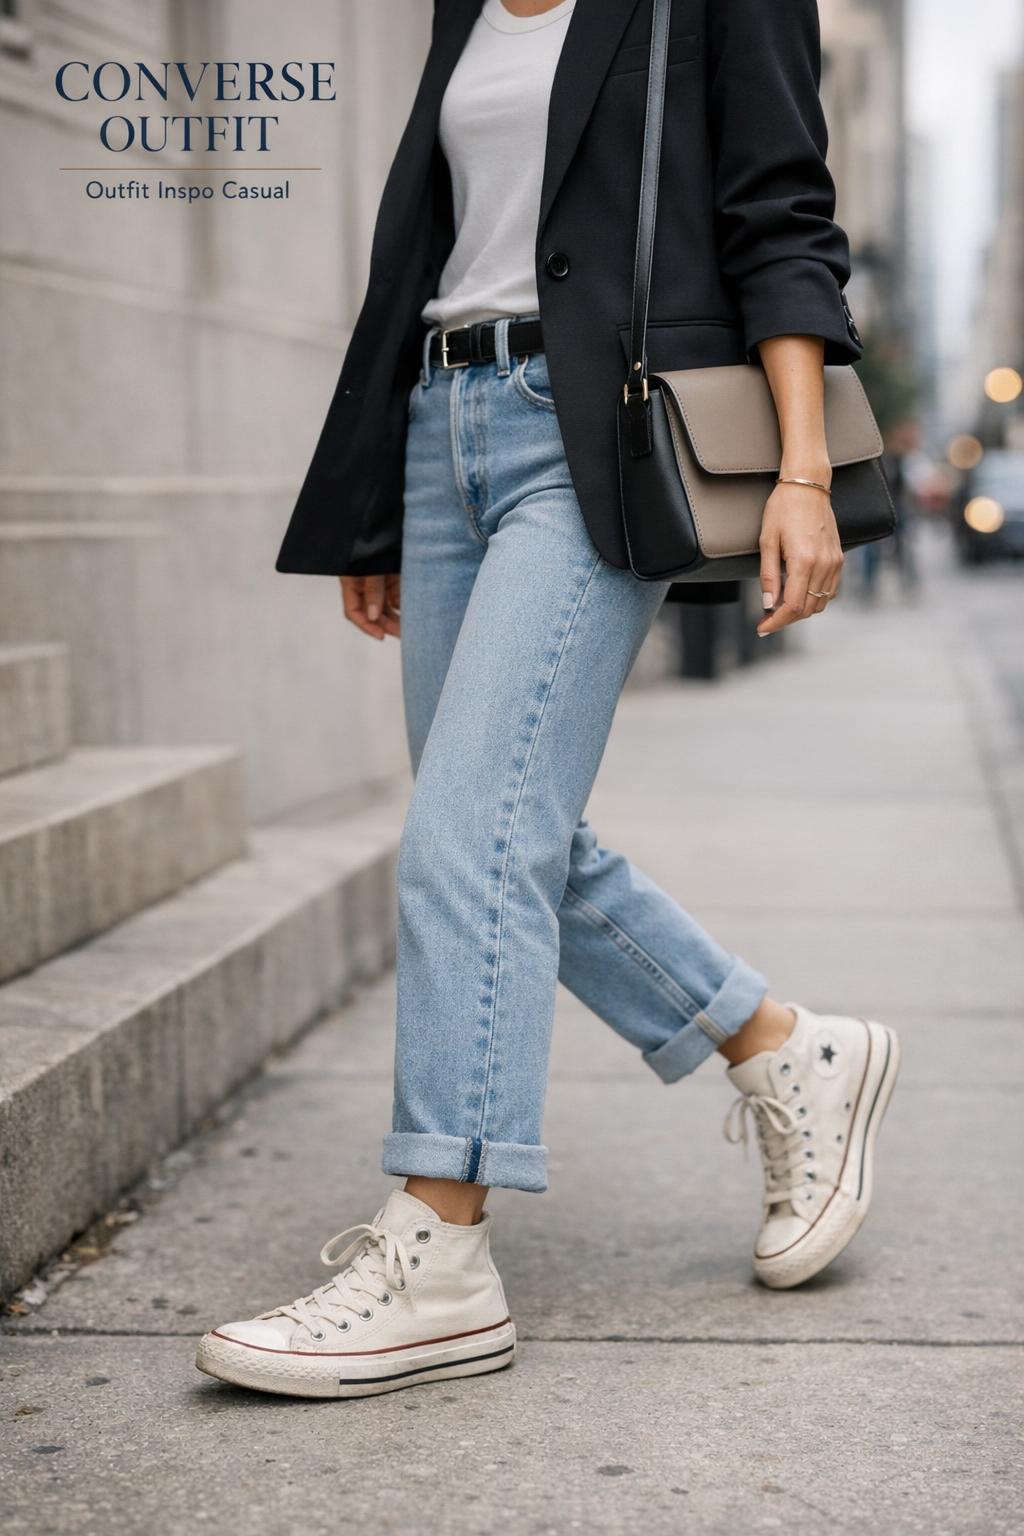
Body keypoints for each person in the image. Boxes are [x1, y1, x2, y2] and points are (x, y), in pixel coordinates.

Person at [196, 0, 900, 1400]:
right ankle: (788, 1049)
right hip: (440, 430)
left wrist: (804, 474)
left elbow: (781, 216)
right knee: (503, 832)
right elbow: (423, 254)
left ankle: (441, 1255)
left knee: (472, 835)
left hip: (595, 434)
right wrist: (372, 509)